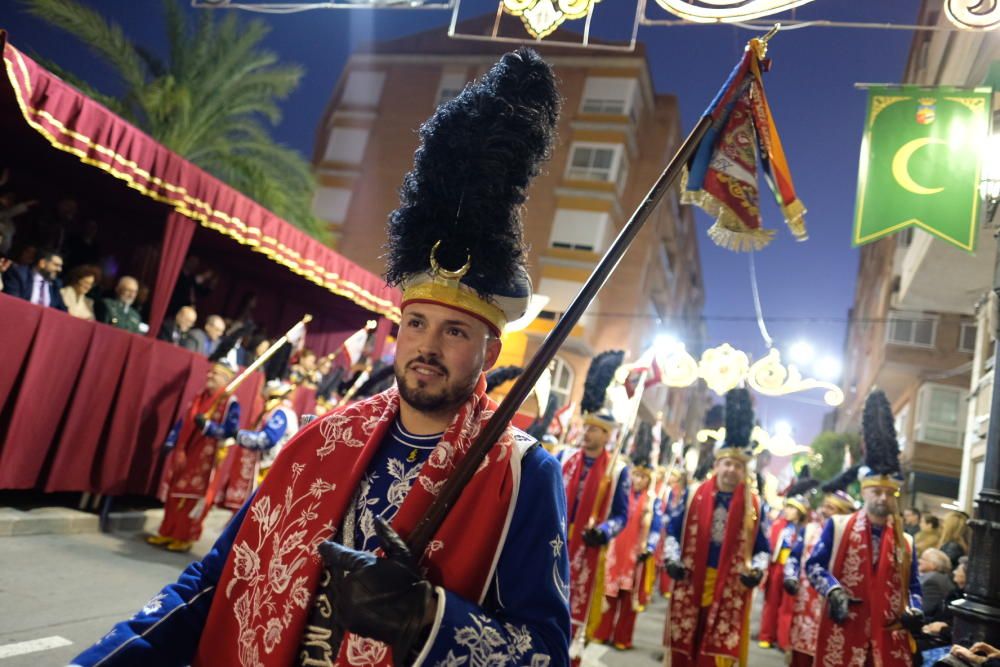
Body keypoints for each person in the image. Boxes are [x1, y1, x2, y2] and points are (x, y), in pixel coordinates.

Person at [71, 47, 569, 667]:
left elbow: (546, 652)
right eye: (416, 323)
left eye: (456, 332)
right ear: (398, 329)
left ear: (491, 350)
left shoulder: (522, 475)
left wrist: (429, 619)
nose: (429, 346)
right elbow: (216, 578)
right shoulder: (319, 440)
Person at [808, 389, 923, 667]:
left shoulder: (905, 541)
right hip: (845, 628)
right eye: (877, 492)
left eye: (889, 493)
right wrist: (833, 591)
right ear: (865, 492)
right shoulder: (838, 526)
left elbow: (914, 586)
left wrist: (915, 610)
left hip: (887, 638)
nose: (883, 498)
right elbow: (814, 567)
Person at [663, 388, 770, 667]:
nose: (732, 470)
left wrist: (757, 570)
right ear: (716, 464)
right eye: (727, 463)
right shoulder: (693, 494)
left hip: (730, 585)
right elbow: (673, 530)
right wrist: (672, 558)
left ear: (744, 470)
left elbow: (763, 548)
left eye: (738, 465)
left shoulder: (755, 505)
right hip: (691, 575)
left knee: (716, 651)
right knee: (686, 642)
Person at [560, 350, 630, 655]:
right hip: (557, 539)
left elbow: (621, 515)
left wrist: (604, 531)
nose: (587, 433)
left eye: (594, 430)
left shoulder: (617, 470)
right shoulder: (564, 458)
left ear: (606, 435)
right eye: (585, 427)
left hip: (588, 548)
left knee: (575, 613)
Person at [146, 362, 241, 553]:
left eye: (215, 374)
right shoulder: (198, 399)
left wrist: (208, 427)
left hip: (207, 456)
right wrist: (172, 441)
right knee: (175, 492)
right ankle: (167, 531)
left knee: (192, 497)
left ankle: (184, 536)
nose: (209, 376)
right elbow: (183, 422)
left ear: (225, 379)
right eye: (209, 372)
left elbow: (231, 431)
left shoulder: (230, 403)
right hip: (186, 453)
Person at [784, 465, 860, 667]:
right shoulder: (809, 530)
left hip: (832, 607)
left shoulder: (850, 538)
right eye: (825, 506)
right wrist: (790, 577)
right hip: (806, 605)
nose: (825, 510)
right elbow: (793, 557)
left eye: (831, 508)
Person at [593, 459, 661, 650]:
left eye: (643, 477)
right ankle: (601, 632)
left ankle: (622, 638)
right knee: (609, 593)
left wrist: (650, 548)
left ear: (648, 480)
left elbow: (656, 527)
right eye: (636, 475)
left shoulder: (652, 501)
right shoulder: (622, 493)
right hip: (616, 551)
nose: (638, 480)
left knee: (629, 600)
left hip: (635, 554)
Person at [212, 380, 299, 512]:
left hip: (268, 469)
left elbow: (268, 439)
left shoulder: (281, 413)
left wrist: (239, 435)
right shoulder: (277, 412)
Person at [759, 493, 809, 650]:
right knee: (771, 601)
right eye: (787, 507)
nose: (787, 510)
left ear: (800, 512)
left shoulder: (804, 529)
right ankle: (766, 635)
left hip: (793, 570)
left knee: (788, 605)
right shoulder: (778, 525)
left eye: (792, 508)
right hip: (776, 567)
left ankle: (784, 640)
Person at [2, 248, 67, 311]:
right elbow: (12, 303)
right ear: (42, 263)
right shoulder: (19, 274)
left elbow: (63, 311)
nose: (59, 269)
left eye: (60, 266)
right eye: (56, 265)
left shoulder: (55, 285)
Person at [918, 548, 957, 619]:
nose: (919, 561)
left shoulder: (932, 581)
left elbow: (925, 610)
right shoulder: (941, 577)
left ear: (934, 565)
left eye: (923, 559)